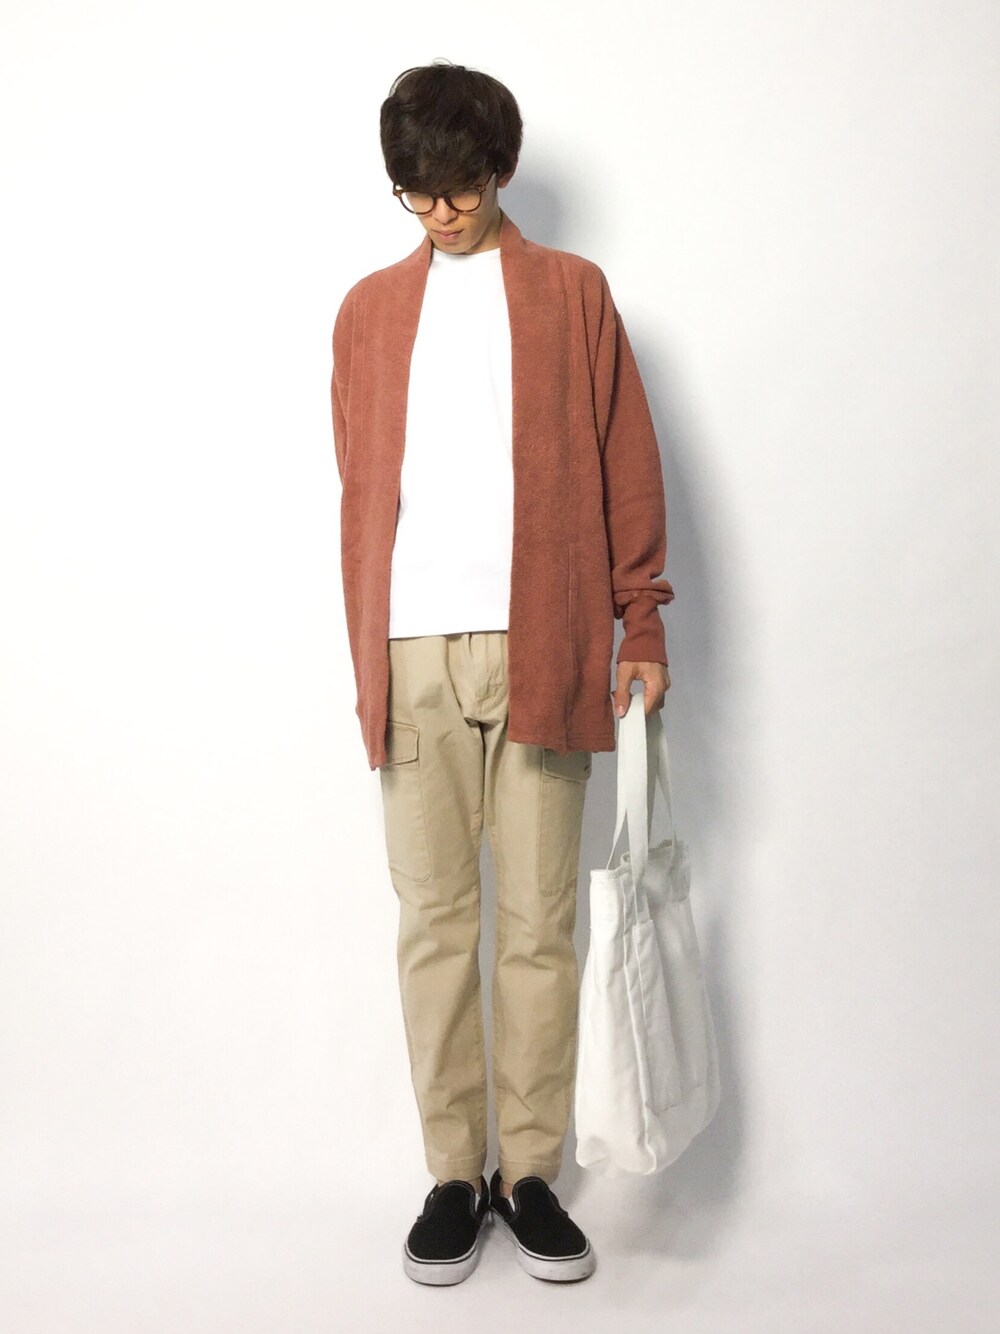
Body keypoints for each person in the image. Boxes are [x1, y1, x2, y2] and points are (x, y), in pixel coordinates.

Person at [329, 59, 674, 1286]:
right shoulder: (368, 312)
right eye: (416, 193)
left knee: (538, 923)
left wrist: (640, 624)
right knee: (434, 922)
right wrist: (367, 648)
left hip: (547, 642)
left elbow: (625, 459)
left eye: (460, 187)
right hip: (410, 649)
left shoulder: (572, 292)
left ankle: (527, 1171)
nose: (440, 211)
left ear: (501, 170)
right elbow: (358, 485)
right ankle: (450, 1172)